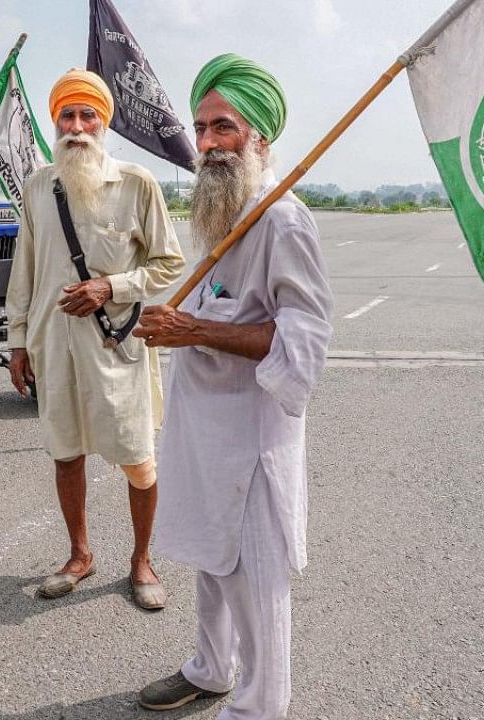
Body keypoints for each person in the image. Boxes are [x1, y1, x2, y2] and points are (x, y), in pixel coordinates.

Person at [134, 55, 333, 717]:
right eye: (201, 127)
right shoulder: (226, 210)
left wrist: (192, 331)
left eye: (225, 126)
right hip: (205, 428)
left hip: (251, 440)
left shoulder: (282, 220)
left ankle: (259, 706)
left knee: (254, 580)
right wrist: (182, 326)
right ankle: (212, 669)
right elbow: (224, 303)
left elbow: (302, 340)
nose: (210, 142)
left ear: (261, 138)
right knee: (211, 560)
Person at [5, 69, 185, 609]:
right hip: (53, 345)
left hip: (115, 346)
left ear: (103, 124)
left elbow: (168, 262)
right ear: (54, 121)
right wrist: (18, 341)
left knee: (137, 459)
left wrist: (112, 285)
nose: (77, 127)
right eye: (68, 115)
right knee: (65, 454)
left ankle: (142, 560)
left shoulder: (137, 182)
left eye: (88, 116)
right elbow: (25, 269)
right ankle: (80, 554)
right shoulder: (40, 184)